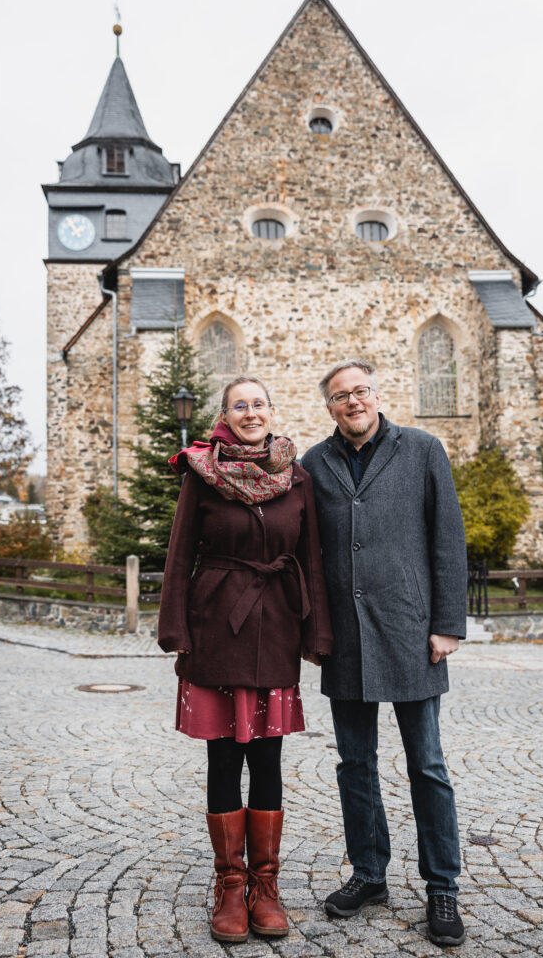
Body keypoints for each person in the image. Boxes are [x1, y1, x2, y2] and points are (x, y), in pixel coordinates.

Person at [158, 376, 333, 945]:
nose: (251, 412)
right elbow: (181, 551)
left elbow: (311, 558)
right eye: (241, 405)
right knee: (223, 763)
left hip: (278, 627)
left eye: (259, 404)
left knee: (269, 760)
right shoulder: (201, 472)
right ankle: (230, 886)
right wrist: (176, 626)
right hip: (216, 628)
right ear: (225, 415)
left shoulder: (297, 476)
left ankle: (266, 886)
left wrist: (318, 633)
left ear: (272, 412)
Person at [301, 359, 467, 948]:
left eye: (361, 391)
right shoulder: (313, 465)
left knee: (427, 766)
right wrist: (313, 632)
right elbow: (305, 553)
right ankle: (369, 873)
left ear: (376, 395)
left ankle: (442, 886)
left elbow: (448, 537)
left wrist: (447, 625)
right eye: (341, 395)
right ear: (329, 406)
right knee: (355, 766)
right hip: (345, 639)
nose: (353, 401)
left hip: (411, 633)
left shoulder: (422, 450)